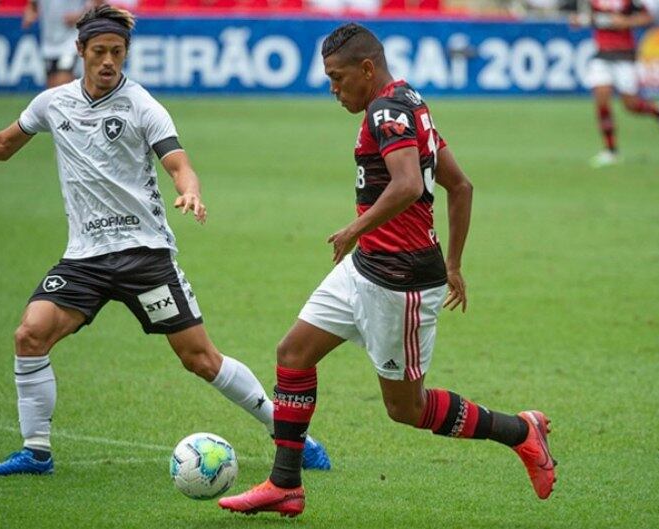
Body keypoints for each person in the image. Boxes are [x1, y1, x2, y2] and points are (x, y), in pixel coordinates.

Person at [0, 4, 330, 476]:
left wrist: (191, 192)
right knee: (29, 335)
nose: (108, 61)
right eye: (99, 51)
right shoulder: (52, 104)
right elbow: (0, 146)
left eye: (117, 51)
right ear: (80, 51)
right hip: (84, 260)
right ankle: (36, 453)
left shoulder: (141, 104)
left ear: (127, 52)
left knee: (199, 358)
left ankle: (292, 435)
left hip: (144, 255)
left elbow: (177, 162)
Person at [218, 23, 556, 518]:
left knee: (406, 409)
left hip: (400, 282)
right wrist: (454, 263)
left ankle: (522, 432)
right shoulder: (409, 101)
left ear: (367, 69)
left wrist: (357, 227)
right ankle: (285, 485)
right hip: (365, 268)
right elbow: (459, 186)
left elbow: (405, 187)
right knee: (292, 353)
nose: (333, 89)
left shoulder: (387, 110)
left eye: (337, 78)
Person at [571, 0, 659, 168]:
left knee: (630, 105)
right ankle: (611, 151)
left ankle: (657, 110)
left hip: (624, 56)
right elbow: (591, 18)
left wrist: (626, 22)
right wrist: (579, 21)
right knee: (602, 99)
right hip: (602, 54)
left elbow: (648, 17)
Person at [22, 0, 104, 88]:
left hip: (71, 42)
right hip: (48, 44)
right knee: (52, 91)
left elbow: (98, 4)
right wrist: (30, 15)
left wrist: (81, 16)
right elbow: (33, 5)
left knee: (63, 87)